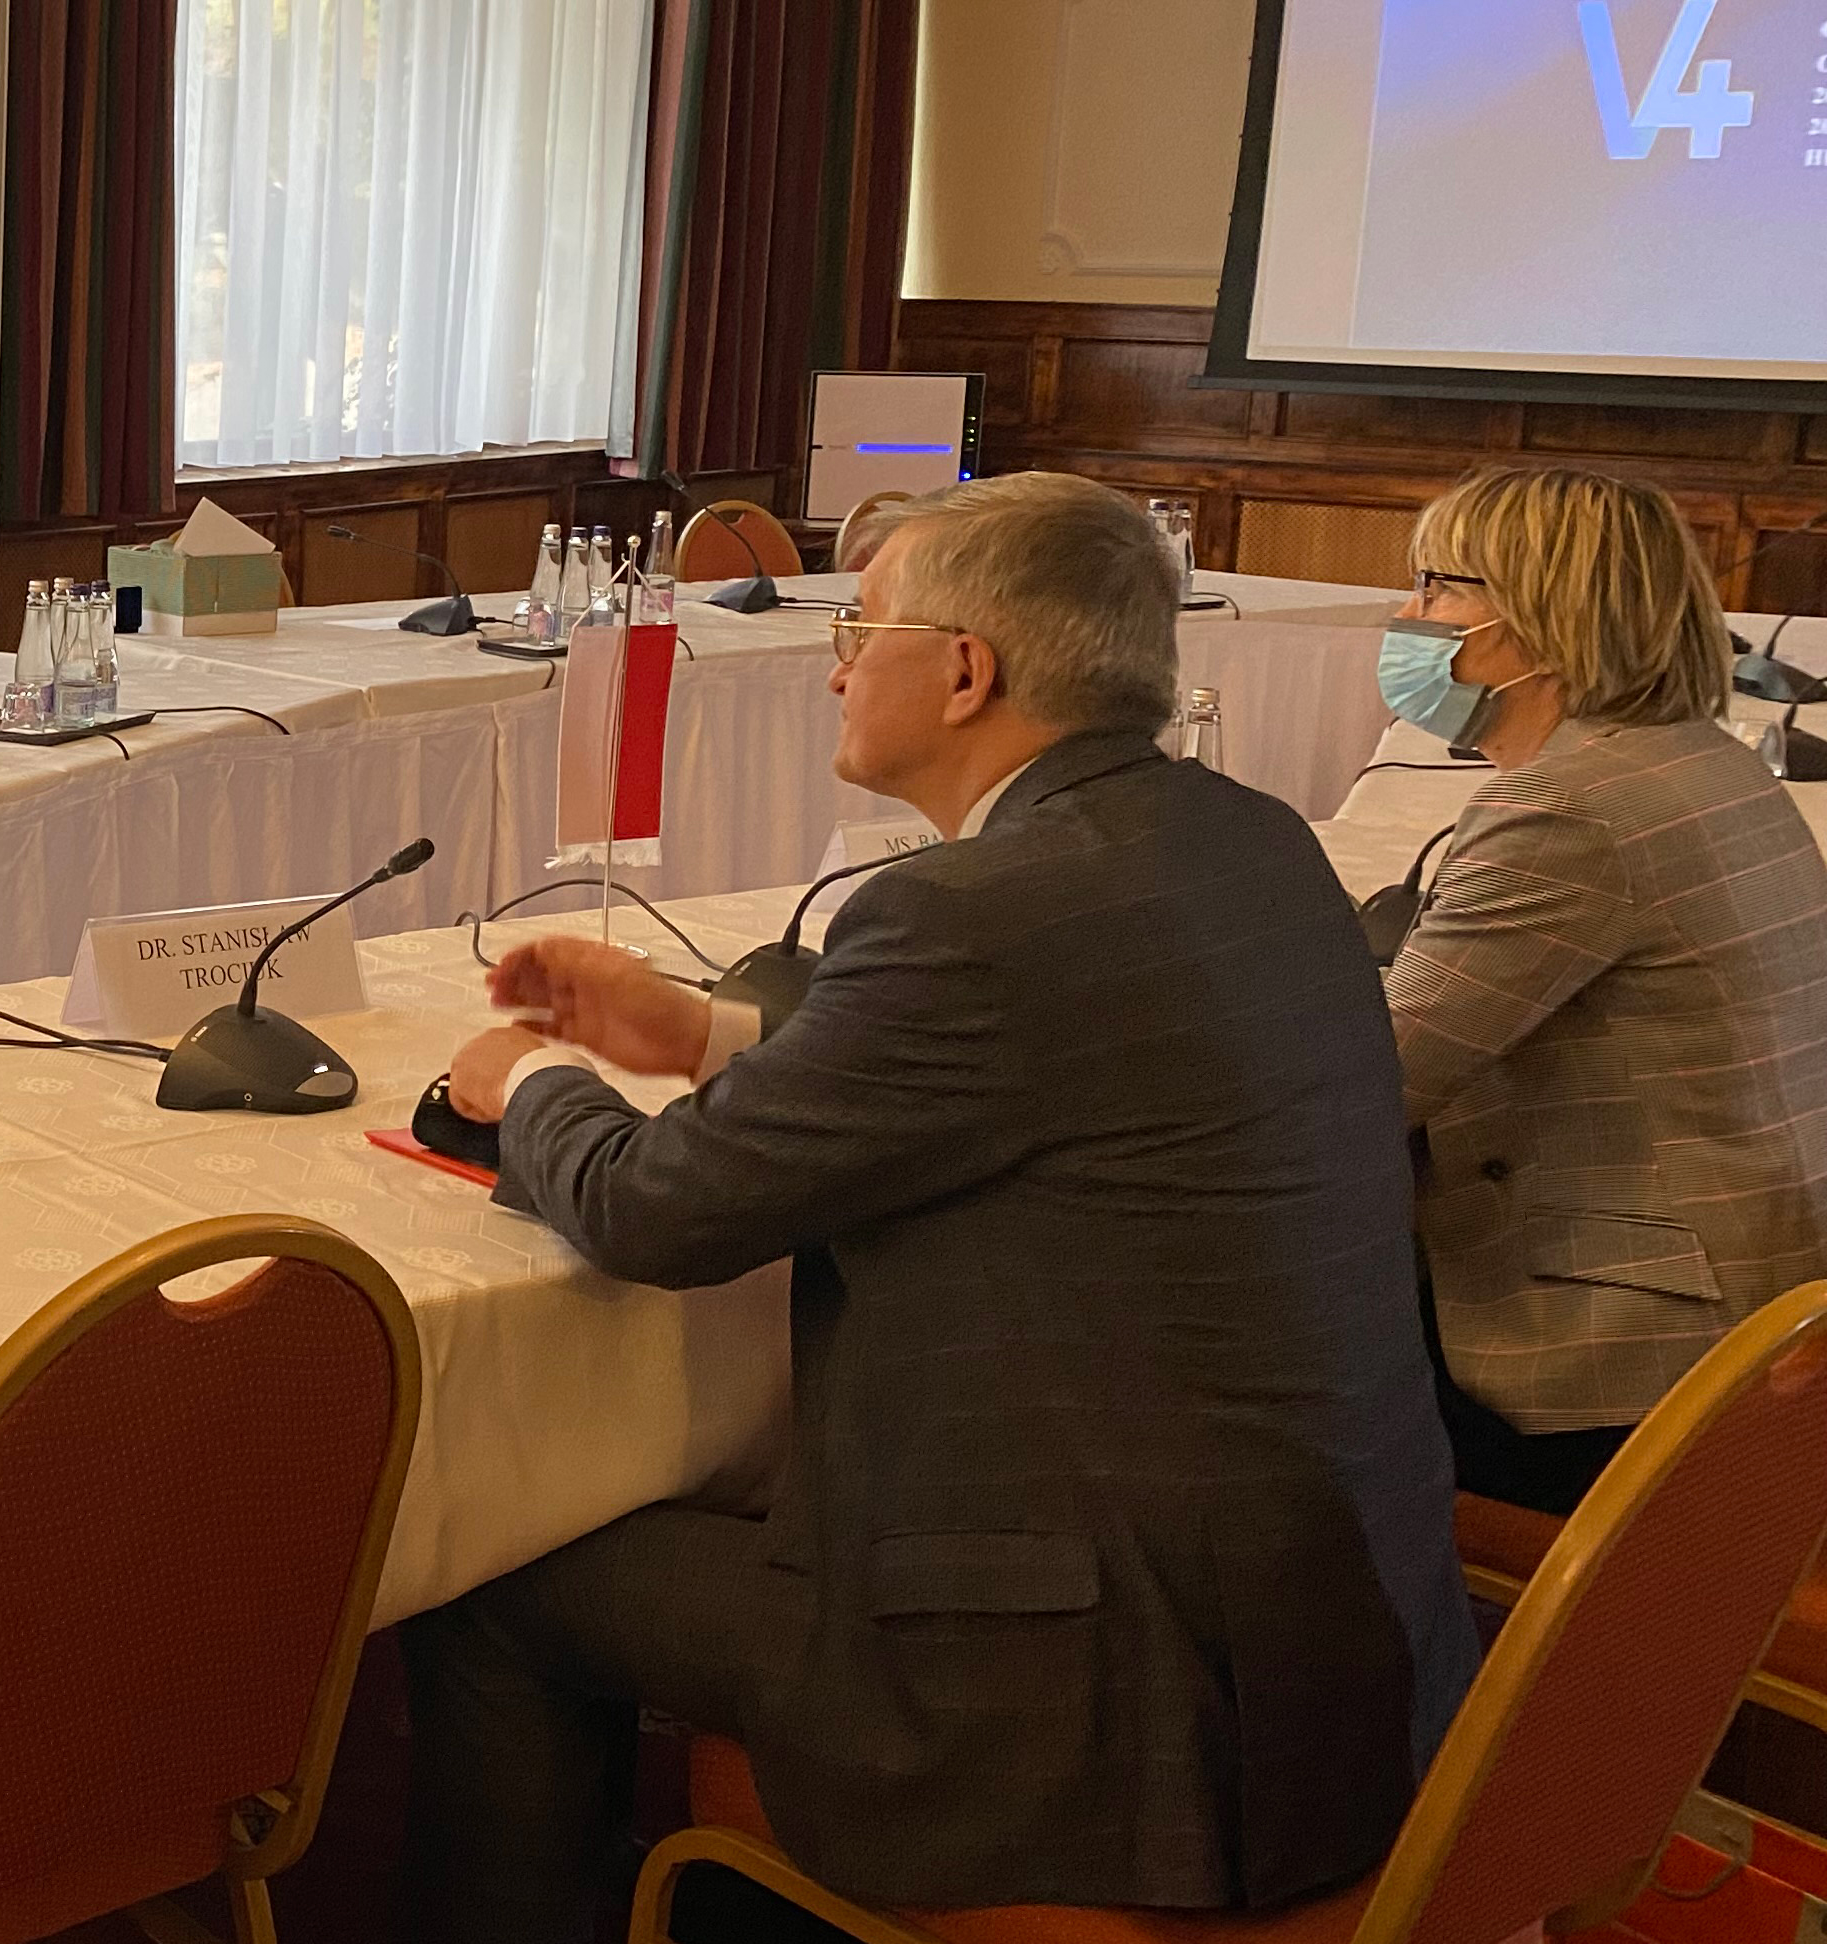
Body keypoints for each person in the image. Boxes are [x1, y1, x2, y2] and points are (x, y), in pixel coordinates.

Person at [404, 473, 1475, 1941]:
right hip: (1331, 1644)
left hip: (1090, 1691)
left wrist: (527, 1083)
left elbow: (658, 1213)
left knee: (493, 1573)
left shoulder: (963, 914)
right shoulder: (1251, 839)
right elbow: (1036, 1072)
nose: (836, 669)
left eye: (861, 631)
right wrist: (703, 1036)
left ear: (966, 670)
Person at [1378, 466, 1827, 1514]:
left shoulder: (1568, 808)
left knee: (1227, 1400)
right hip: (1762, 1319)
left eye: (1437, 586)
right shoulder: (1699, 759)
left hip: (1621, 1367)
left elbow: (1364, 1085)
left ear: (1537, 620)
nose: (1407, 615)